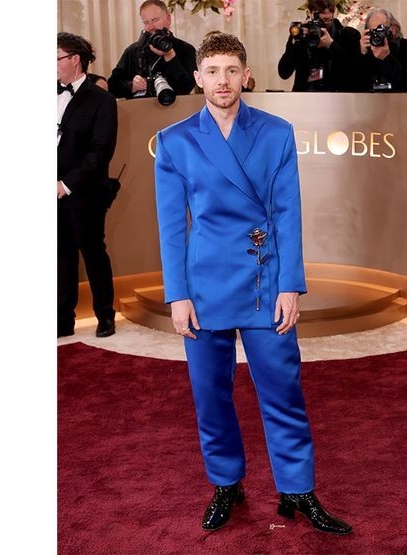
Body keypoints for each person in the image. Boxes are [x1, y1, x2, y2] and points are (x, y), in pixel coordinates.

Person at [153, 32, 353, 535]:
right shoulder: (175, 141)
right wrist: (176, 295)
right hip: (203, 287)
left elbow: (288, 213)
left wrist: (291, 284)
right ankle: (226, 483)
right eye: (213, 71)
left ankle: (298, 491)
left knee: (284, 390)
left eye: (231, 70)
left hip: (265, 279)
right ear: (197, 78)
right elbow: (172, 226)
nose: (223, 81)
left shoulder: (276, 131)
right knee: (210, 394)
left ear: (246, 75)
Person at [58, 32, 118, 338]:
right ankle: (62, 320)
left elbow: (100, 151)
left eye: (55, 59)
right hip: (53, 193)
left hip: (85, 193)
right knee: (60, 257)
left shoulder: (102, 100)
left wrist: (65, 184)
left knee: (94, 254)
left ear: (74, 60)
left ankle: (105, 315)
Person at [108, 0, 198, 100]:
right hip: (139, 111)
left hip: (176, 111)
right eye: (146, 22)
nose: (151, 27)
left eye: (155, 20)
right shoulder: (133, 51)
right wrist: (131, 86)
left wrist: (170, 55)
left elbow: (186, 87)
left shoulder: (186, 49)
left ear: (168, 19)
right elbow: (112, 86)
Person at [277, 0, 359, 92]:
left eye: (327, 20)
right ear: (310, 13)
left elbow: (354, 73)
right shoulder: (302, 35)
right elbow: (284, 73)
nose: (322, 25)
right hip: (304, 97)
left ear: (334, 13)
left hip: (335, 98)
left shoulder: (347, 35)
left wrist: (331, 45)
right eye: (319, 20)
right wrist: (295, 43)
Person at [349, 7, 407, 92]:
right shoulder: (365, 51)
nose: (377, 35)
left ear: (394, 29)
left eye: (381, 30)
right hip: (369, 103)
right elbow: (351, 87)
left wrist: (387, 59)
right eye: (373, 31)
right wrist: (362, 54)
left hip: (402, 103)